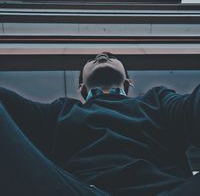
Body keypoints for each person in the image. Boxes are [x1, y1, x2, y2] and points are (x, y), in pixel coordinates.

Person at [0, 51, 200, 196]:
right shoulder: (59, 111)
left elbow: (193, 108)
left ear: (129, 82)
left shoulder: (157, 100)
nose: (102, 55)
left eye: (112, 56)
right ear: (81, 87)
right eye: (91, 59)